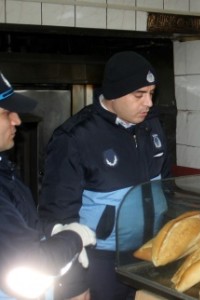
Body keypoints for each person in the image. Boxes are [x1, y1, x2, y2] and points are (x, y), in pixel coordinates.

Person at [38, 51, 172, 300]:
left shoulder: (152, 125)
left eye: (151, 93)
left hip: (150, 255)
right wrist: (73, 284)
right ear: (113, 93)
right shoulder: (75, 137)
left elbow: (166, 187)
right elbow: (57, 216)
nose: (149, 103)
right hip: (98, 263)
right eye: (139, 94)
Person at [0, 72, 96, 300]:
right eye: (6, 113)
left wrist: (51, 232)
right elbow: (32, 261)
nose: (17, 120)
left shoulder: (4, 169)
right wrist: (74, 238)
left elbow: (18, 225)